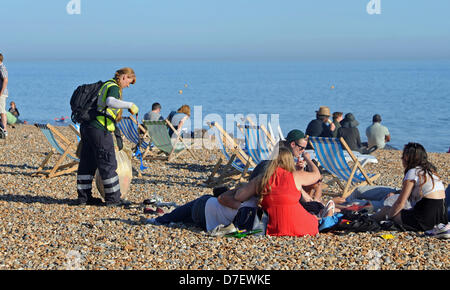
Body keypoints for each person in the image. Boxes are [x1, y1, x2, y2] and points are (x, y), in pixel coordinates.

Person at [74, 67, 139, 207]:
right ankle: (113, 198)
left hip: (87, 127)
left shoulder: (105, 85)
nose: (128, 85)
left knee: (87, 163)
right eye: (129, 82)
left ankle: (83, 198)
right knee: (108, 163)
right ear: (123, 77)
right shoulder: (113, 87)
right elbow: (110, 101)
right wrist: (130, 105)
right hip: (99, 129)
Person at [230, 147, 322, 236]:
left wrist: (246, 188)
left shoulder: (262, 178)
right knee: (314, 217)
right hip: (299, 225)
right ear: (289, 160)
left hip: (274, 228)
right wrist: (308, 159)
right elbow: (317, 175)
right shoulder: (295, 176)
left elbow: (239, 196)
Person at [371, 142, 447, 231]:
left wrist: (389, 216)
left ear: (407, 158)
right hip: (440, 219)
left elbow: (400, 203)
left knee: (386, 209)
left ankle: (368, 220)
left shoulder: (413, 172)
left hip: (423, 220)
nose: (401, 159)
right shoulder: (430, 172)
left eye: (403, 156)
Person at [145, 186, 258, 232]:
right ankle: (172, 220)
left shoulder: (247, 201)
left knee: (200, 202)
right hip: (206, 223)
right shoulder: (258, 211)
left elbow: (221, 198)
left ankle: (159, 220)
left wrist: (237, 188)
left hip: (203, 207)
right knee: (187, 217)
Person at [0, 53, 9, 136]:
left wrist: (1, 92)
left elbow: (5, 80)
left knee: (2, 111)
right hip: (1, 93)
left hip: (1, 94)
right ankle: (3, 129)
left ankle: (4, 129)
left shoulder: (2, 68)